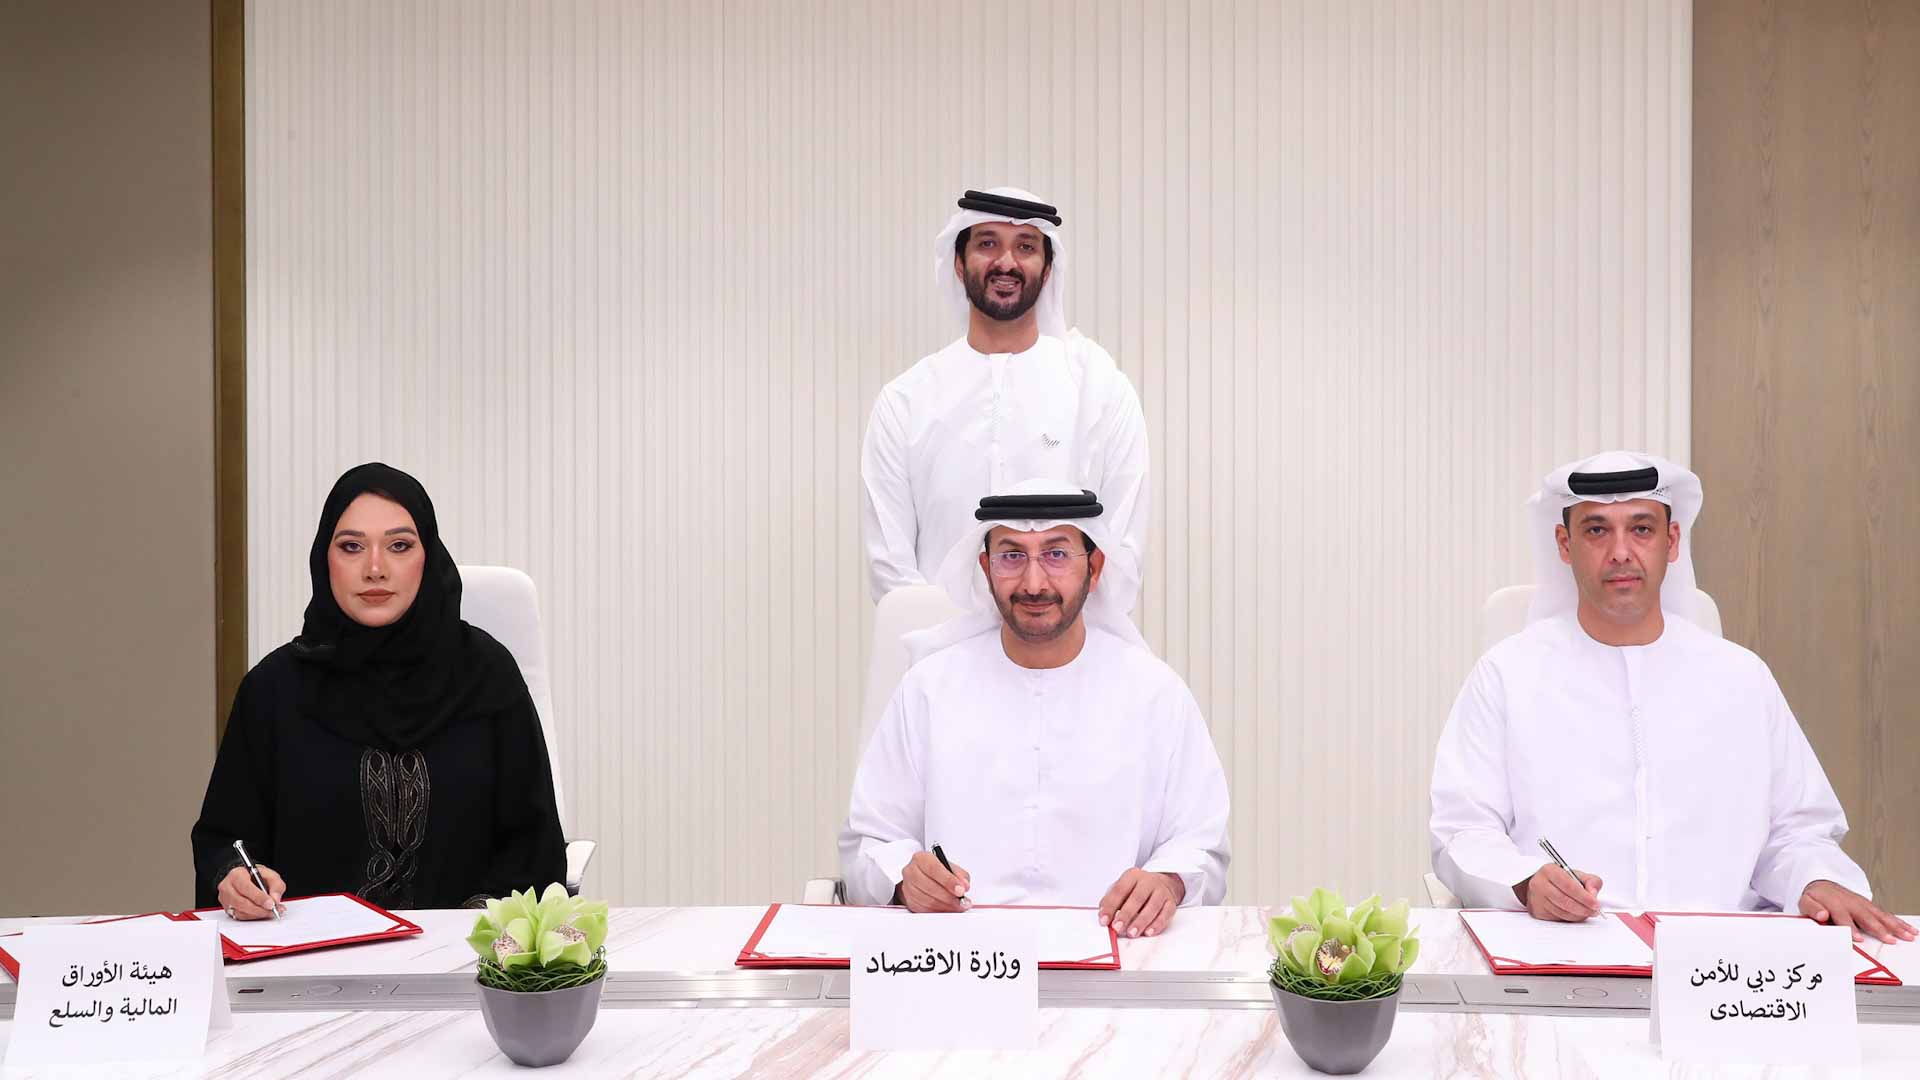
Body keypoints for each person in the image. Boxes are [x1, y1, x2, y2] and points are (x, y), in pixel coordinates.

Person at [1429, 451, 1915, 944]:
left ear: (1673, 540)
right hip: (1561, 948)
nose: (1621, 552)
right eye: (1597, 530)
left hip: (1722, 960)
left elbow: (1795, 833)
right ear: (1564, 544)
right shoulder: (1507, 675)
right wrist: (1525, 880)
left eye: (1641, 529)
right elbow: (1462, 832)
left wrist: (1814, 879)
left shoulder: (1742, 679)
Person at [840, 480, 1228, 938]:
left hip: (1117, 956)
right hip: (958, 958)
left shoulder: (1156, 694)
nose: (1034, 583)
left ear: (1095, 567)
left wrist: (1168, 881)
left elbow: (1202, 847)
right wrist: (905, 879)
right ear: (985, 569)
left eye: (1056, 554)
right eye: (1011, 556)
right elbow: (867, 844)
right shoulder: (927, 689)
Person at [191, 463, 566, 917]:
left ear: (428, 557)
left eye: (399, 546)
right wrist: (235, 877)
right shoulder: (273, 690)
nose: (374, 568)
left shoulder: (487, 675)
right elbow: (223, 841)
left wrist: (470, 930)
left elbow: (535, 847)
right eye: (351, 547)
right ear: (324, 560)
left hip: (464, 952)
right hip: (317, 953)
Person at [861, 187, 1150, 605]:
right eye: (987, 243)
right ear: (958, 263)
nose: (1006, 262)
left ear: (1047, 270)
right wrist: (944, 643)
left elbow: (1120, 552)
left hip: (1071, 644)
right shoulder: (905, 400)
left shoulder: (1099, 389)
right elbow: (890, 565)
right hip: (939, 643)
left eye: (1026, 246)